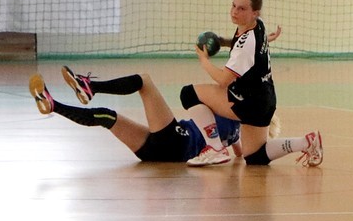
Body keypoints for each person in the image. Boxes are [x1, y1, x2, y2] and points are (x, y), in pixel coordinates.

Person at [175, 0, 322, 167]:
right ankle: (306, 142)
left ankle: (215, 148)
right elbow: (250, 41)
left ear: (254, 13)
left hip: (246, 102)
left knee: (189, 94)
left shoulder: (244, 47)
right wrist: (223, 41)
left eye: (242, 8)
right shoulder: (258, 25)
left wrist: (204, 60)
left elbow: (223, 80)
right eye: (233, 6)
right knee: (255, 157)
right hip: (265, 101)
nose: (235, 12)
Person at [30, 68, 243, 162]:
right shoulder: (236, 130)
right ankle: (53, 105)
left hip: (177, 140)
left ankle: (91, 87)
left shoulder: (226, 112)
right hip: (155, 153)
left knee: (144, 81)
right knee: (106, 117)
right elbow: (239, 152)